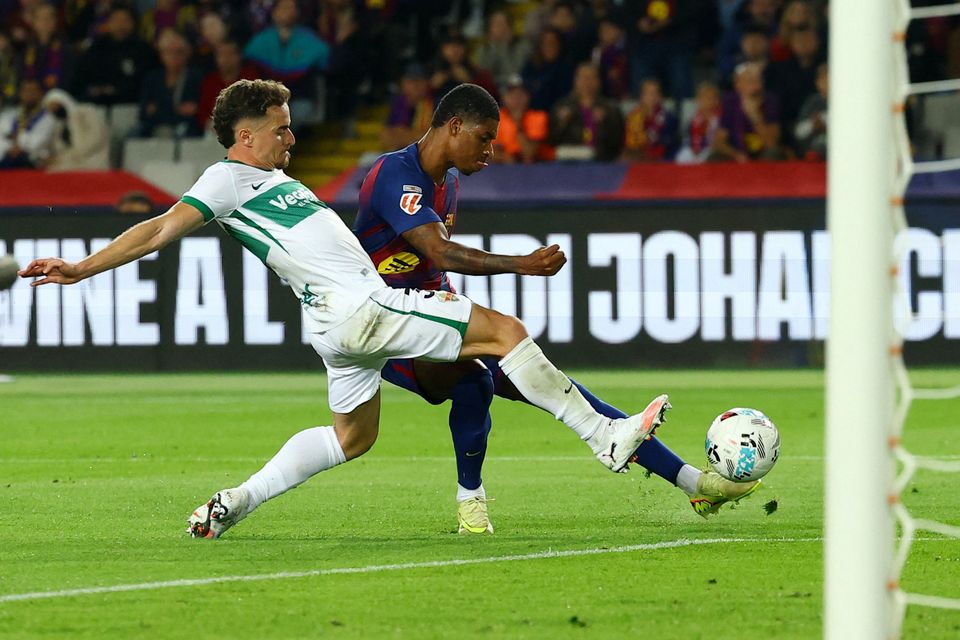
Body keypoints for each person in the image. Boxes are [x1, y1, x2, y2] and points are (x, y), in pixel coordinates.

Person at [18, 79, 702, 541]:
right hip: (361, 307)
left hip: (336, 328)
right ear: (248, 136)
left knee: (353, 438)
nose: (292, 140)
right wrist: (81, 266)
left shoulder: (271, 180)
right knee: (504, 332)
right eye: (281, 130)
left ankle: (232, 505)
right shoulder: (226, 178)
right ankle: (606, 439)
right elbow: (160, 228)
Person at [353, 82, 760, 533]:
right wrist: (520, 264)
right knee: (475, 379)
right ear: (454, 126)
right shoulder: (395, 173)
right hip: (385, 327)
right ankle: (472, 501)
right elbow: (441, 253)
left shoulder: (446, 183)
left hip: (434, 313)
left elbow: (433, 266)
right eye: (485, 137)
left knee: (554, 386)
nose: (491, 150)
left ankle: (692, 484)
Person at [0, 78, 57, 168]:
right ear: (20, 94)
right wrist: (9, 148)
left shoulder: (48, 119)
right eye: (25, 91)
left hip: (33, 161)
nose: (28, 94)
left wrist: (16, 142)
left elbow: (37, 143)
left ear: (40, 94)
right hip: (7, 157)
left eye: (32, 91)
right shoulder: (10, 116)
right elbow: (1, 137)